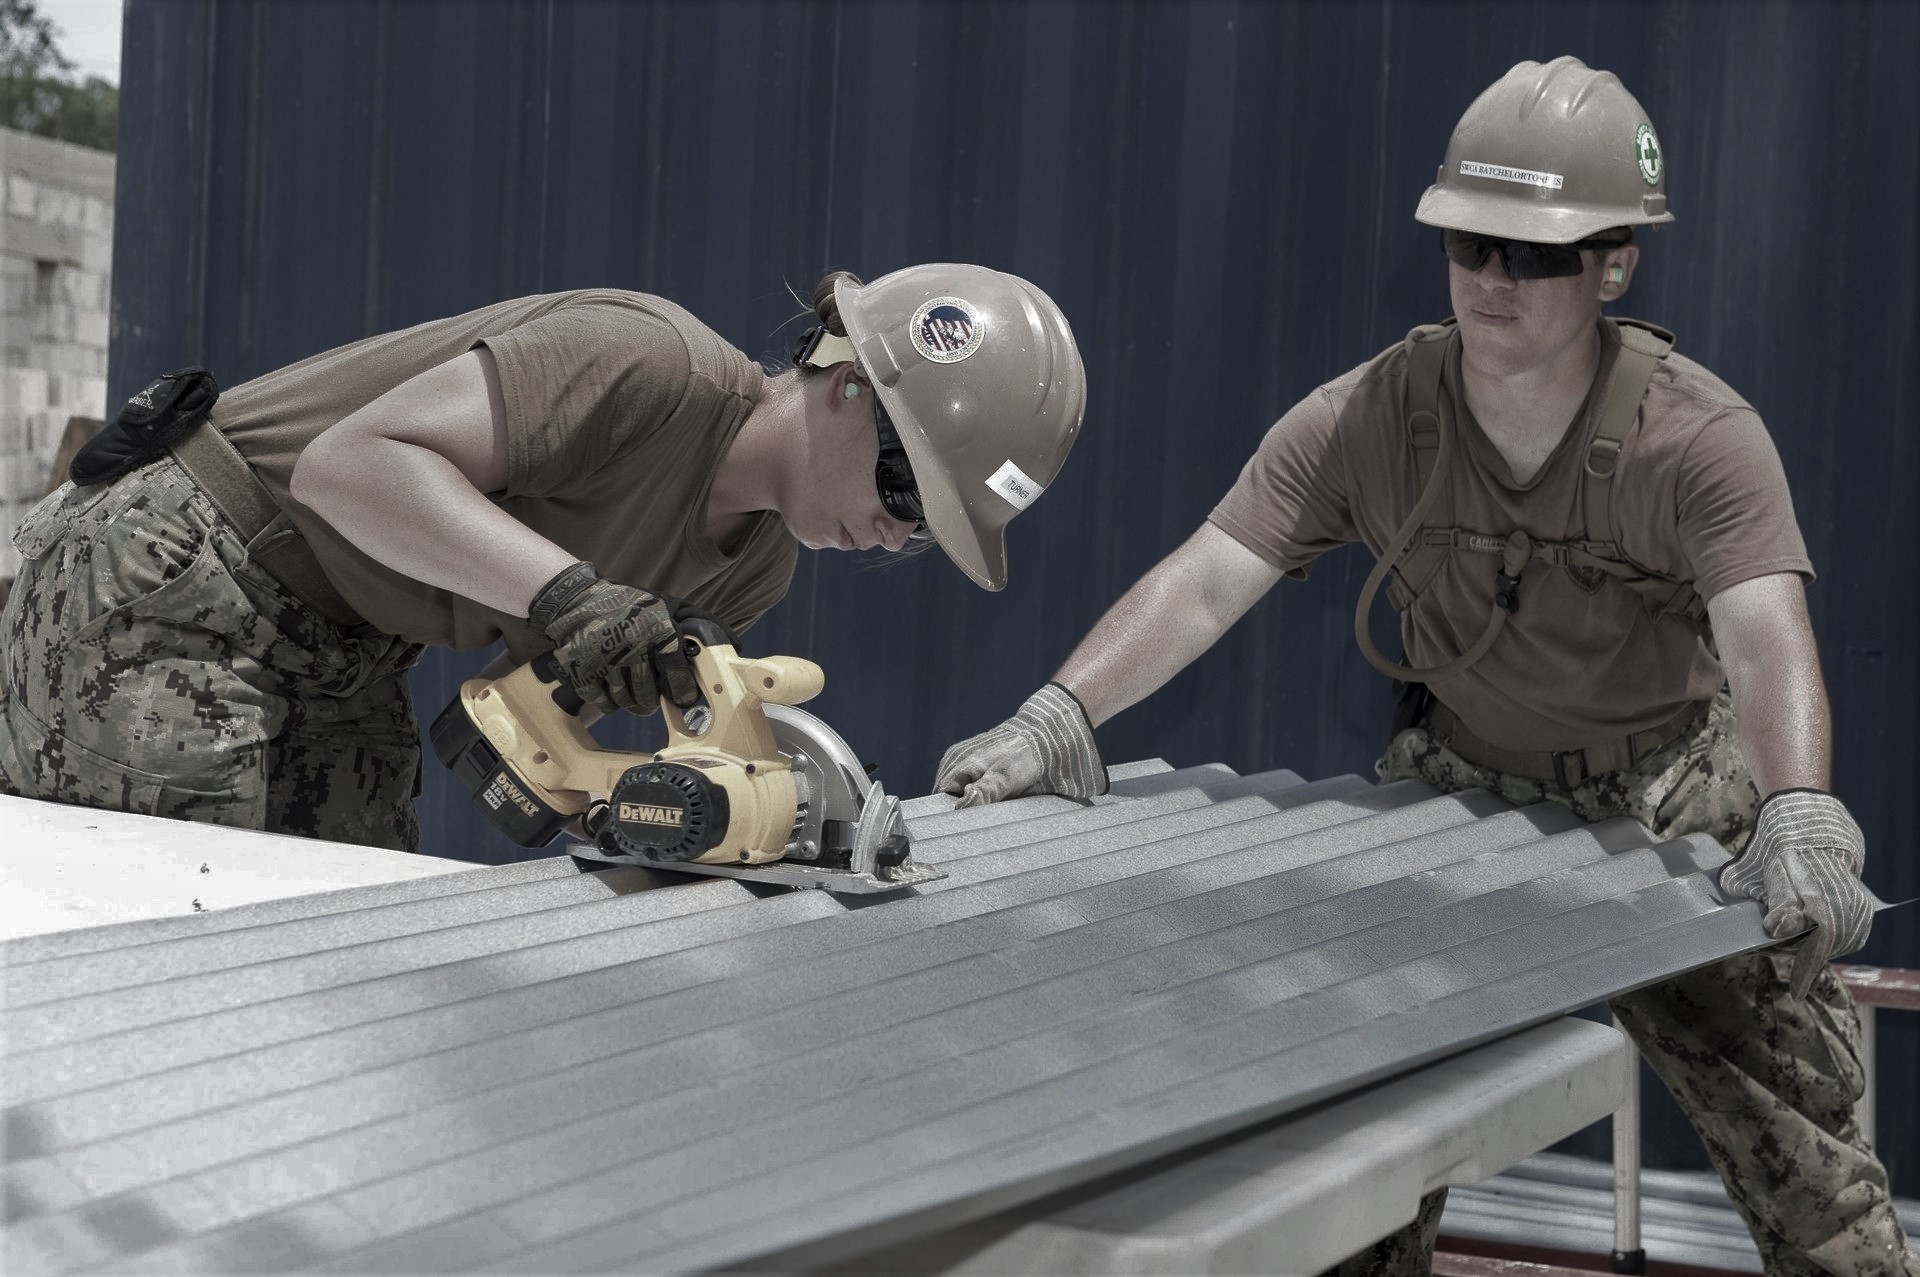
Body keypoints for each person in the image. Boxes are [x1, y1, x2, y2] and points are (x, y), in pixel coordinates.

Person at [936, 57, 1913, 1275]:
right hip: (1459, 785)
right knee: (1353, 1142)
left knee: (1809, 1162)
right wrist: (1054, 714)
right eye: (1470, 244)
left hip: (1672, 792)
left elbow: (1769, 635)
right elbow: (1208, 575)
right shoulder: (1371, 418)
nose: (1494, 279)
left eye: (1537, 253)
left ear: (1616, 263)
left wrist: (1800, 809)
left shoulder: (1697, 437)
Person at [0, 263, 1087, 854]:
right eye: (905, 490)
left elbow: (512, 731)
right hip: (176, 570)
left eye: (924, 532)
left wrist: (654, 811)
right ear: (852, 382)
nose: (895, 533)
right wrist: (569, 594)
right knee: (189, 953)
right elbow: (348, 466)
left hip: (348, 647)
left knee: (341, 946)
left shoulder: (749, 572)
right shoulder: (653, 364)